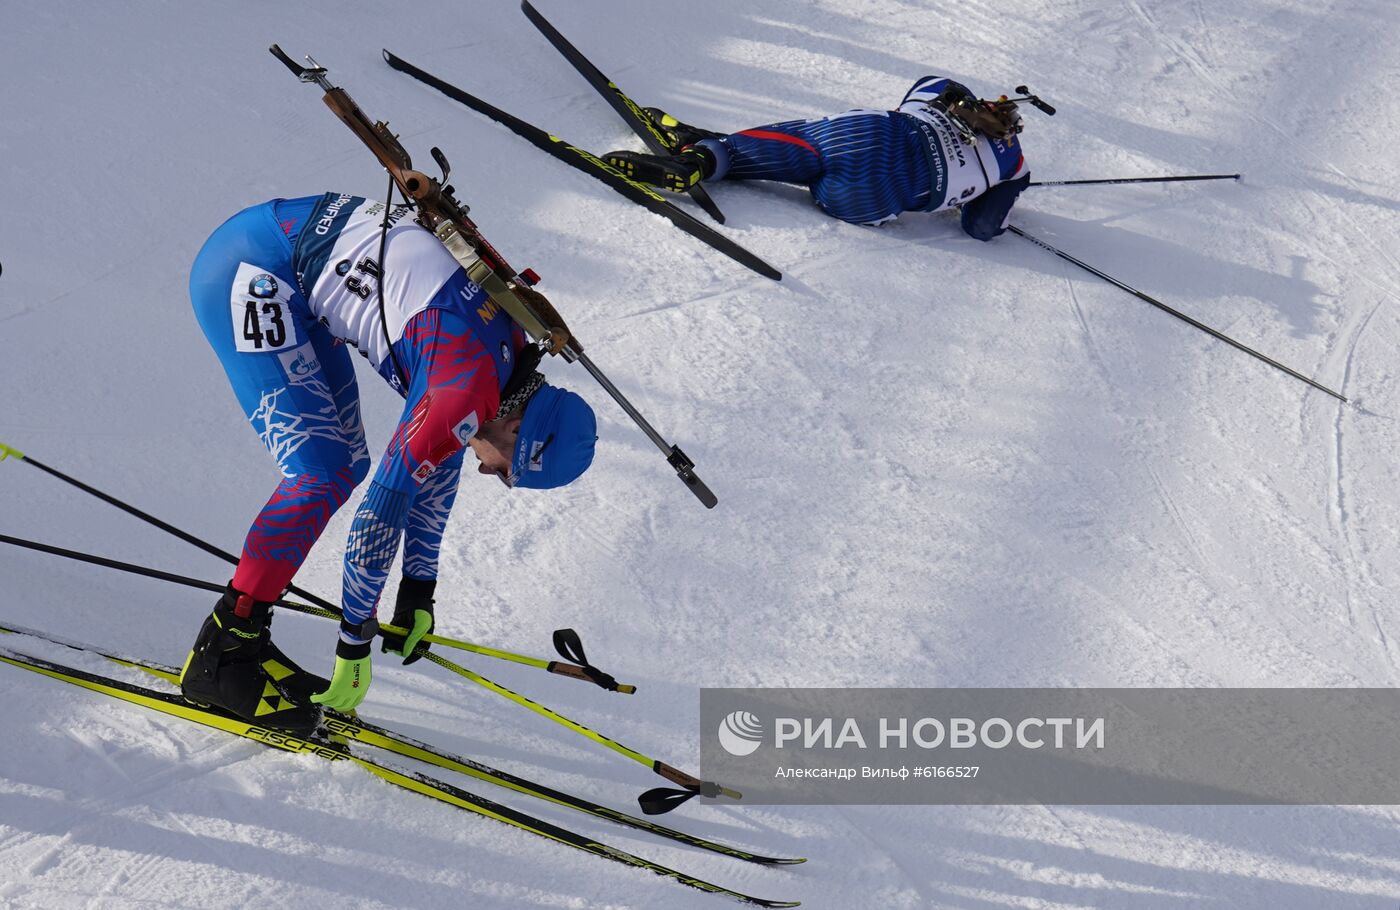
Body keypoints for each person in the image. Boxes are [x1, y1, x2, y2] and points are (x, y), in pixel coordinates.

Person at [180, 192, 597, 733]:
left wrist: (418, 586)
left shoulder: (503, 363)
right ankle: (222, 653)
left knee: (343, 465)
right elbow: (381, 513)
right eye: (507, 471)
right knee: (320, 474)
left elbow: (435, 460)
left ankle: (242, 637)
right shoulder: (462, 390)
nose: (488, 473)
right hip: (252, 272)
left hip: (292, 258)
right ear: (519, 429)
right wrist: (354, 643)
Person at [605, 76, 1031, 240]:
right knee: (815, 168)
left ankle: (707, 154)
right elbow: (981, 227)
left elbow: (929, 83)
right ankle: (710, 149)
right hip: (873, 199)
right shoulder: (1014, 166)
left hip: (871, 134)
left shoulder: (940, 95)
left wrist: (961, 103)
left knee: (802, 146)